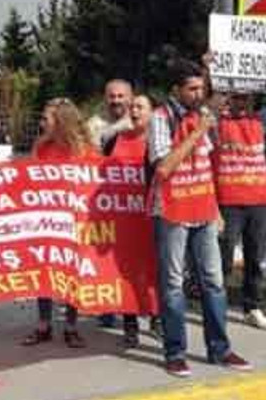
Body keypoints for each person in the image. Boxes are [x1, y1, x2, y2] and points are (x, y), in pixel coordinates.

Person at [148, 60, 251, 377]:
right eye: (191, 89)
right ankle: (175, 352)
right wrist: (198, 132)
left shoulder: (202, 115)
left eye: (200, 88)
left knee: (214, 282)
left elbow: (206, 164)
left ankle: (220, 348)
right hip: (173, 211)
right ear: (176, 89)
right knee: (173, 284)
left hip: (203, 208)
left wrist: (216, 209)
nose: (198, 93)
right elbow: (164, 167)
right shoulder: (161, 118)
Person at [23, 97, 93, 349]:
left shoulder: (84, 150)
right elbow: (30, 180)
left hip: (74, 221)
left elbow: (95, 182)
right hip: (46, 220)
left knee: (73, 272)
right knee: (45, 271)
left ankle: (71, 326)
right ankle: (43, 324)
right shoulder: (41, 147)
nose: (42, 123)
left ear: (61, 122)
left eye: (46, 118)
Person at [215, 93, 266, 331]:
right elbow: (207, 106)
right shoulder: (219, 122)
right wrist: (209, 70)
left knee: (255, 257)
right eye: (236, 97)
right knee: (224, 258)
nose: (241, 102)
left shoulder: (263, 120)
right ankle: (216, 306)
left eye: (245, 98)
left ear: (252, 100)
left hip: (260, 200)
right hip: (229, 200)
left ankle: (252, 307)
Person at [105, 95, 154, 347]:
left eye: (140, 107)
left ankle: (157, 320)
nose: (133, 111)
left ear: (152, 113)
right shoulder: (115, 137)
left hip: (152, 217)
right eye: (132, 107)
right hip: (124, 219)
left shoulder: (158, 139)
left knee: (155, 271)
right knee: (127, 274)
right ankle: (130, 325)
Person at [88, 79, 134, 149]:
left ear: (130, 98)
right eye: (112, 96)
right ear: (105, 98)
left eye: (120, 96)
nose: (116, 101)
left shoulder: (137, 122)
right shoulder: (94, 124)